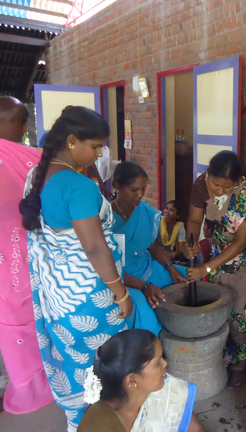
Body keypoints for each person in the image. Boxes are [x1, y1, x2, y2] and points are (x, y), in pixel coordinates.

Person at [19, 106, 156, 431]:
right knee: (105, 371)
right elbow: (94, 247)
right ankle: (104, 424)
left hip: (60, 298)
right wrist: (121, 293)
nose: (98, 155)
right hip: (90, 301)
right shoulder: (76, 186)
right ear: (71, 141)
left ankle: (79, 422)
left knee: (78, 368)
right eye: (95, 147)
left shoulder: (40, 176)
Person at [187, 151, 246, 387]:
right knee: (220, 290)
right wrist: (191, 243)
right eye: (216, 185)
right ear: (208, 175)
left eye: (227, 187)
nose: (220, 191)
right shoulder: (200, 186)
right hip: (223, 238)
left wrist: (206, 266)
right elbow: (195, 221)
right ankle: (222, 352)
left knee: (245, 302)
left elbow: (242, 242)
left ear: (238, 181)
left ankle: (239, 363)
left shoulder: (245, 194)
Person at [0, 136, 53, 415]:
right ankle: (35, 384)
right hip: (28, 263)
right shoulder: (36, 161)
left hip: (21, 265)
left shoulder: (35, 162)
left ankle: (28, 385)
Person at [78, 329, 205, 432]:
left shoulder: (165, 390)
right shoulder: (99, 426)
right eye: (157, 363)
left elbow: (196, 429)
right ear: (132, 380)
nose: (165, 364)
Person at [111, 162, 188, 309]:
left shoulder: (145, 211)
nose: (140, 195)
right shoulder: (105, 220)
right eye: (134, 190)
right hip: (123, 280)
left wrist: (172, 269)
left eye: (143, 189)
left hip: (148, 268)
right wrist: (144, 286)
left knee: (186, 281)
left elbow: (154, 248)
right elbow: (108, 267)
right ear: (117, 186)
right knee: (148, 310)